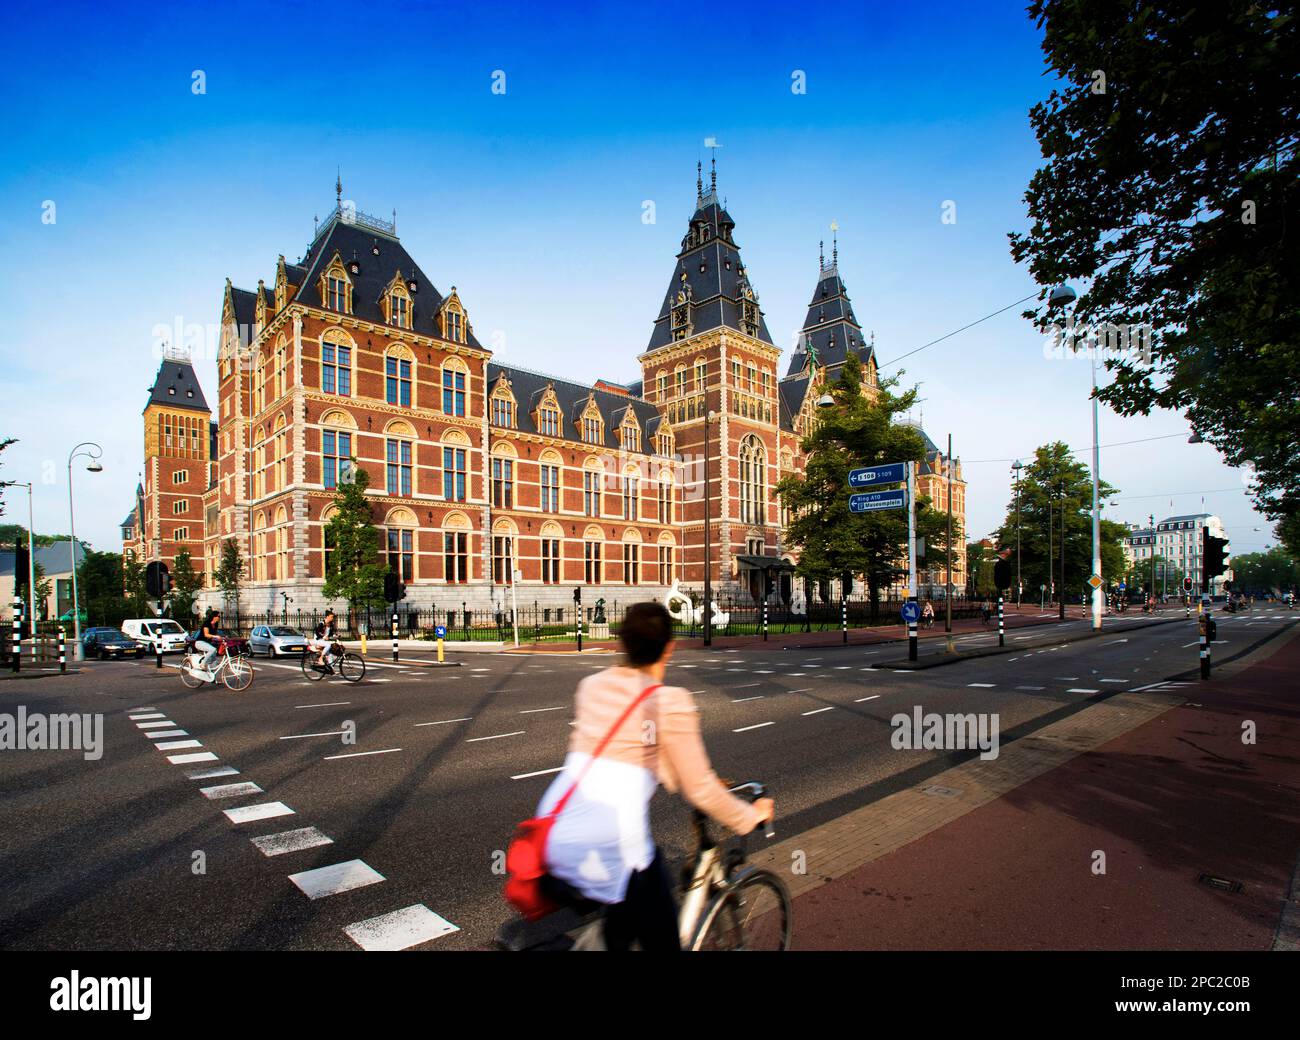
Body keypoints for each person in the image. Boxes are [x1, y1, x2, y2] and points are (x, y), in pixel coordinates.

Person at [536, 602, 773, 951]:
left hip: (553, 833)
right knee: (661, 932)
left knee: (624, 919)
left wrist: (674, 776)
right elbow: (699, 789)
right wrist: (749, 816)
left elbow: (631, 751)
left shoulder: (591, 686)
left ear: (623, 643)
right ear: (670, 646)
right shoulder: (669, 702)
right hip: (611, 845)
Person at [195, 609, 222, 677]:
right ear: (214, 617)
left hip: (207, 643)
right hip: (200, 642)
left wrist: (223, 637)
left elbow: (215, 634)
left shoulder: (215, 624)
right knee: (213, 650)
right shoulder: (207, 623)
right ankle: (202, 664)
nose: (219, 618)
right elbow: (206, 634)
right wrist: (215, 636)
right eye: (218, 616)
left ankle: (211, 676)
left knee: (214, 660)